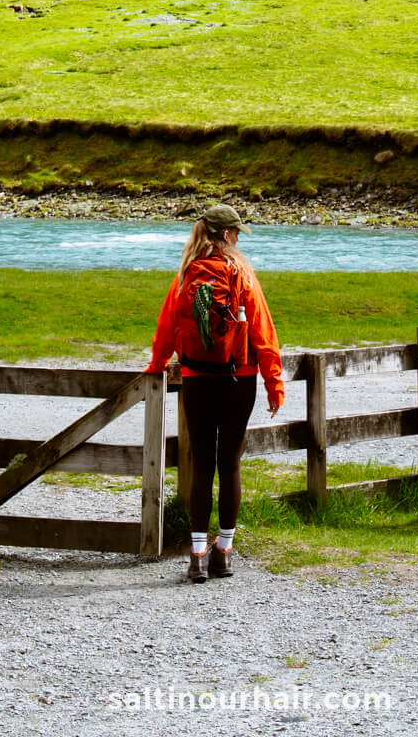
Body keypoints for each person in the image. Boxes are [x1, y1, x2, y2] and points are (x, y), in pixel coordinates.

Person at [147, 203, 284, 582]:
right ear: (226, 235)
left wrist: (156, 366)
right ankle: (223, 550)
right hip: (238, 377)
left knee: (202, 463)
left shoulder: (185, 275)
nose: (238, 238)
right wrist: (274, 382)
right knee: (230, 463)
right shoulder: (241, 274)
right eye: (237, 232)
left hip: (196, 377)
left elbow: (166, 326)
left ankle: (196, 554)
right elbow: (263, 332)